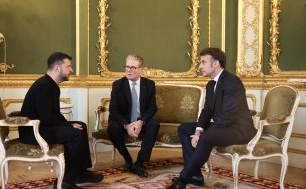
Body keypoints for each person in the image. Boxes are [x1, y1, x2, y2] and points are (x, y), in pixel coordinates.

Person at [167, 47, 257, 189]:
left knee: (206, 137)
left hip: (239, 129)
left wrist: (203, 134)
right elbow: (207, 111)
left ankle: (183, 180)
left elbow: (228, 116)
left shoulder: (233, 82)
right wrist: (197, 131)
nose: (200, 66)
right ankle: (195, 175)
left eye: (203, 62)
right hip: (223, 126)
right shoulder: (211, 84)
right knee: (184, 128)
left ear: (216, 64)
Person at [19, 52, 103, 189]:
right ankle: (64, 181)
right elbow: (46, 116)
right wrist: (68, 126)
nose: (71, 70)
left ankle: (80, 172)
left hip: (43, 126)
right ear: (57, 68)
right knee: (75, 134)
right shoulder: (43, 86)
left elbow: (53, 114)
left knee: (81, 126)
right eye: (68, 67)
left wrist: (69, 124)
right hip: (33, 132)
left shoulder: (51, 85)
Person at [107, 54, 160, 178]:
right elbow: (113, 109)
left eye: (133, 67)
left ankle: (139, 163)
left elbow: (152, 108)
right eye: (127, 67)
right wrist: (126, 125)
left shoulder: (149, 84)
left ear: (141, 69)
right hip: (122, 121)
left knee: (154, 124)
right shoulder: (117, 85)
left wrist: (141, 122)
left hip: (140, 120)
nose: (129, 70)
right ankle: (128, 159)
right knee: (112, 128)